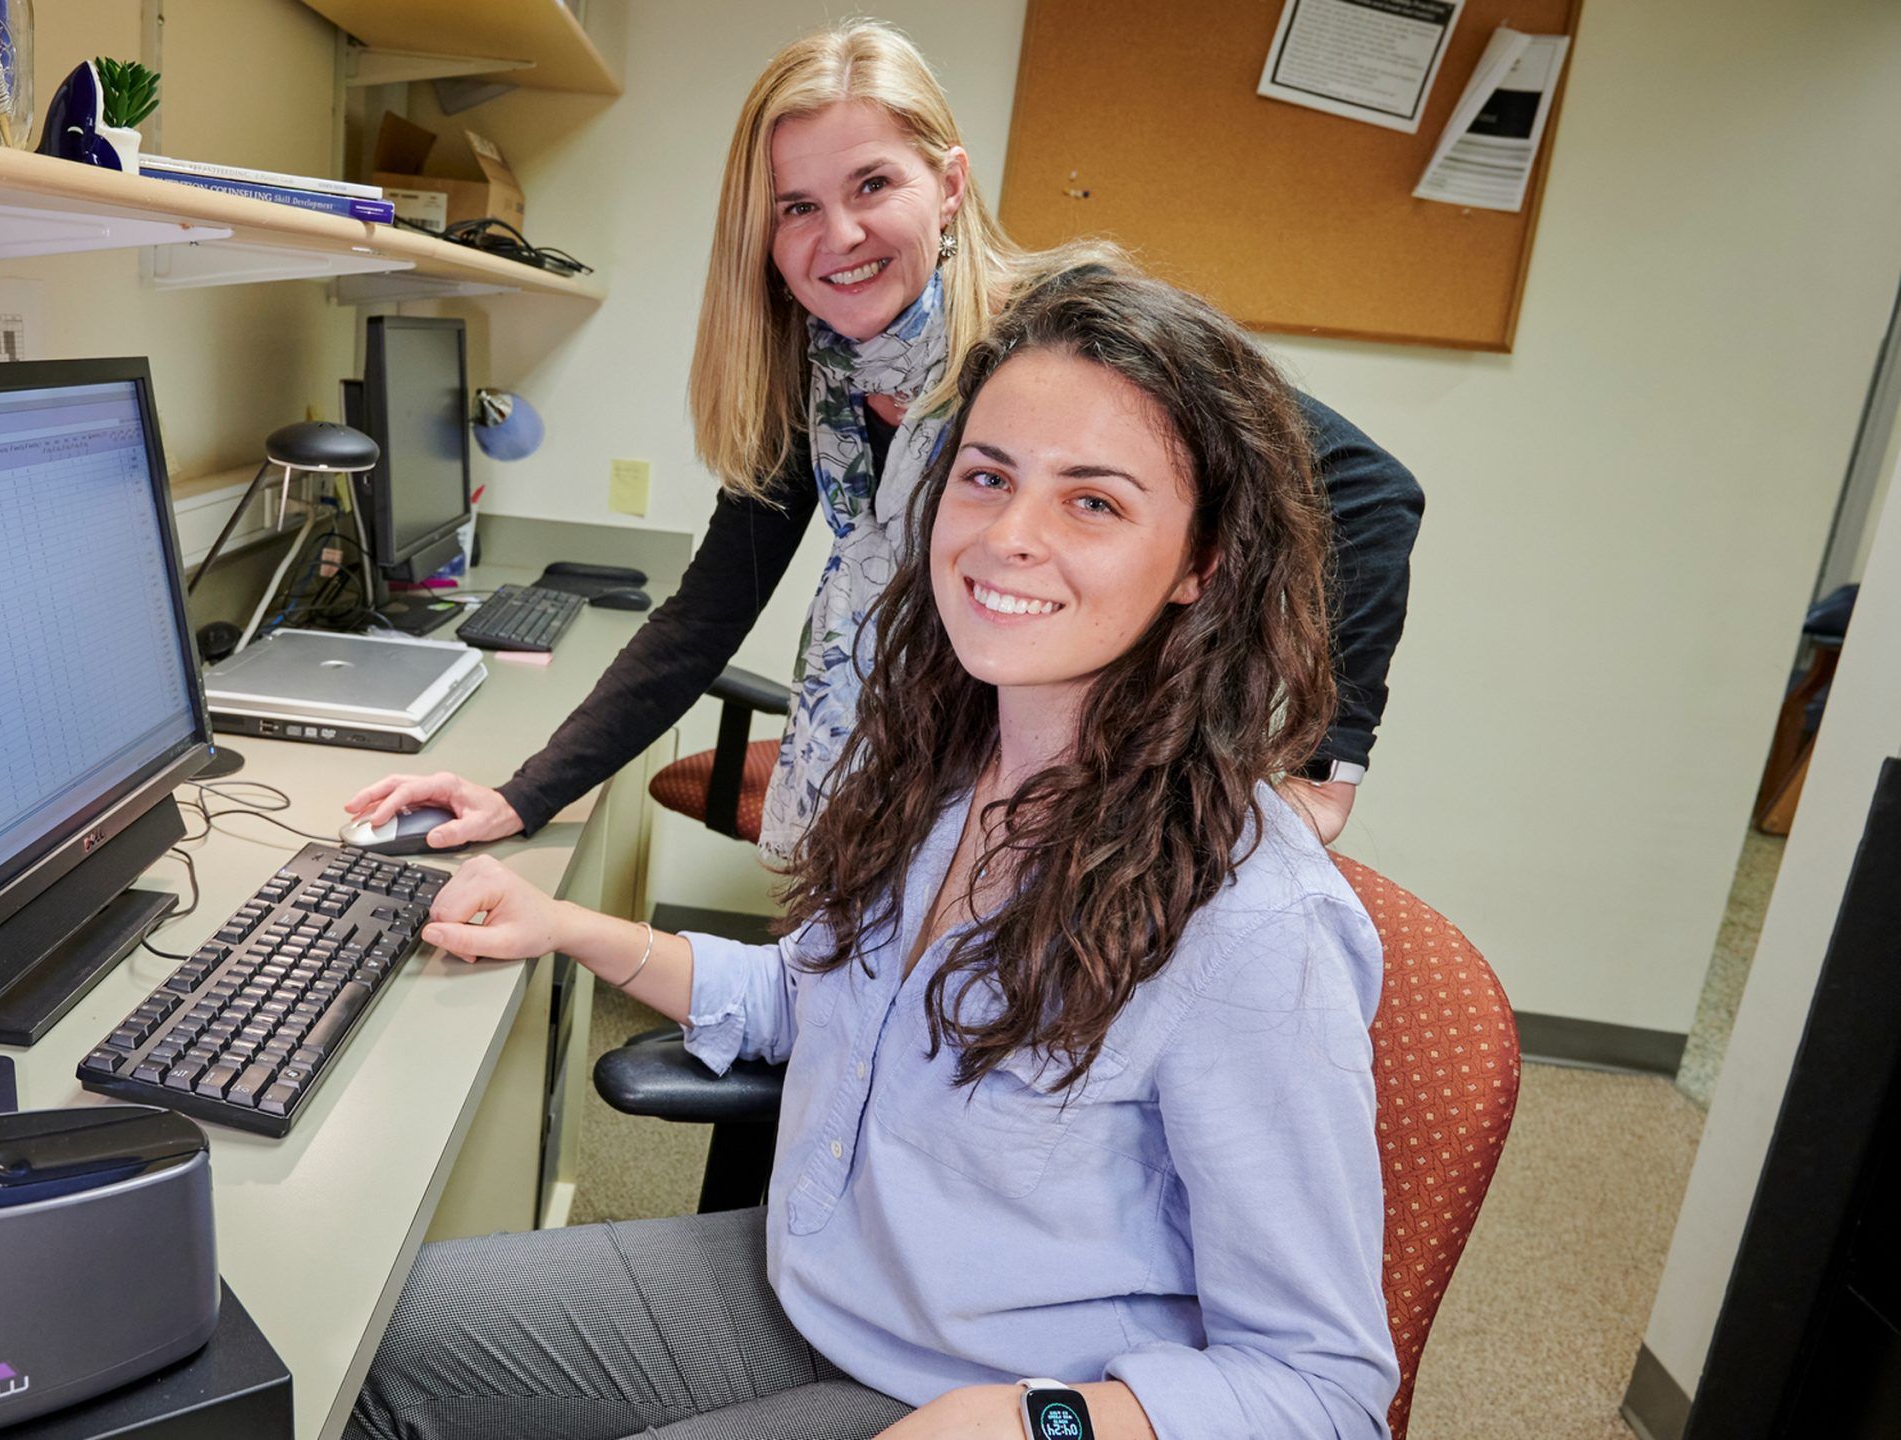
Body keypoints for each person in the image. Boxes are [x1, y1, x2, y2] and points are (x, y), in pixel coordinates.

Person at [345, 263, 1397, 1440]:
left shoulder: (1254, 921)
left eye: (1092, 503)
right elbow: (824, 999)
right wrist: (578, 932)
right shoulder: (946, 769)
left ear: (1201, 562)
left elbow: (1321, 1392)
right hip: (815, 1279)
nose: (1007, 537)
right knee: (369, 1339)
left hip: (999, 1380)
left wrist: (1035, 1425)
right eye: (988, 477)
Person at [347, 19, 1421, 861]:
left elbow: (1367, 493)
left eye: (873, 186)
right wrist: (522, 793)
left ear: (947, 187)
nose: (839, 238)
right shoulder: (822, 380)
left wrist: (1325, 763)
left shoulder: (1073, 340)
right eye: (796, 207)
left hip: (1061, 810)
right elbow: (703, 617)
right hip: (892, 798)